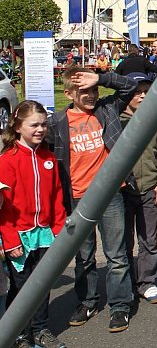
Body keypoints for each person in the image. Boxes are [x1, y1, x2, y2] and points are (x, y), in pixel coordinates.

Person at [47, 67, 137, 333]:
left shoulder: (107, 109)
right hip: (76, 198)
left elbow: (129, 87)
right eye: (82, 91)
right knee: (84, 257)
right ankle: (87, 301)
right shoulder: (58, 122)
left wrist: (101, 78)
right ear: (68, 94)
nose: (90, 95)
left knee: (116, 255)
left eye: (93, 89)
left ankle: (120, 306)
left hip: (110, 194)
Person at [0, 101, 67, 348]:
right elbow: (3, 208)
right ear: (18, 127)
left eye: (44, 124)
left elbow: (57, 196)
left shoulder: (48, 158)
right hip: (19, 236)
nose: (40, 129)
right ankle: (17, 333)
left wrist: (59, 229)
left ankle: (40, 330)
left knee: (42, 284)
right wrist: (10, 240)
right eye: (34, 125)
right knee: (22, 288)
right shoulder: (7, 161)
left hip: (45, 233)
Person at [121, 73, 157, 305]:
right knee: (124, 240)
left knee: (149, 238)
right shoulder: (115, 120)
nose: (142, 95)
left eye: (146, 92)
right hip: (122, 192)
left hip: (149, 188)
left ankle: (147, 282)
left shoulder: (154, 119)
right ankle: (127, 281)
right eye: (137, 91)